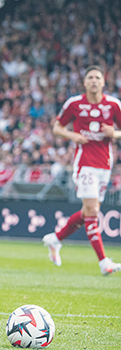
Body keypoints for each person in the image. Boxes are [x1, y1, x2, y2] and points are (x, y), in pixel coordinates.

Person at [43, 65, 121, 276]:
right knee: (93, 212)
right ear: (85, 82)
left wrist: (114, 133)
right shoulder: (75, 103)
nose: (94, 81)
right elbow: (57, 127)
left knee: (88, 212)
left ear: (104, 82)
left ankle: (55, 238)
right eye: (90, 77)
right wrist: (72, 136)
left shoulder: (114, 104)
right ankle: (104, 262)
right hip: (84, 163)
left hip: (105, 164)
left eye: (98, 77)